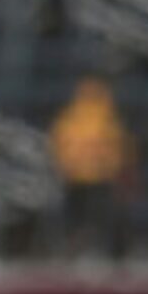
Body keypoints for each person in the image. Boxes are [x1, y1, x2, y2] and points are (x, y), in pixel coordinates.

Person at [49, 78, 133, 258]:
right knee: (84, 218)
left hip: (91, 178)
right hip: (86, 178)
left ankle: (103, 251)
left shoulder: (74, 119)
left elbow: (118, 148)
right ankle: (85, 249)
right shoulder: (106, 121)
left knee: (99, 218)